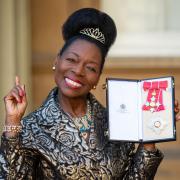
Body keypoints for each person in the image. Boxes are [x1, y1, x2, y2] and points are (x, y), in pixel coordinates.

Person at [0, 7, 180, 179]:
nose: (78, 71)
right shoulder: (30, 128)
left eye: (90, 68)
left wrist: (149, 136)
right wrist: (12, 123)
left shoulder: (117, 123)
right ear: (57, 61)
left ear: (98, 77)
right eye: (71, 59)